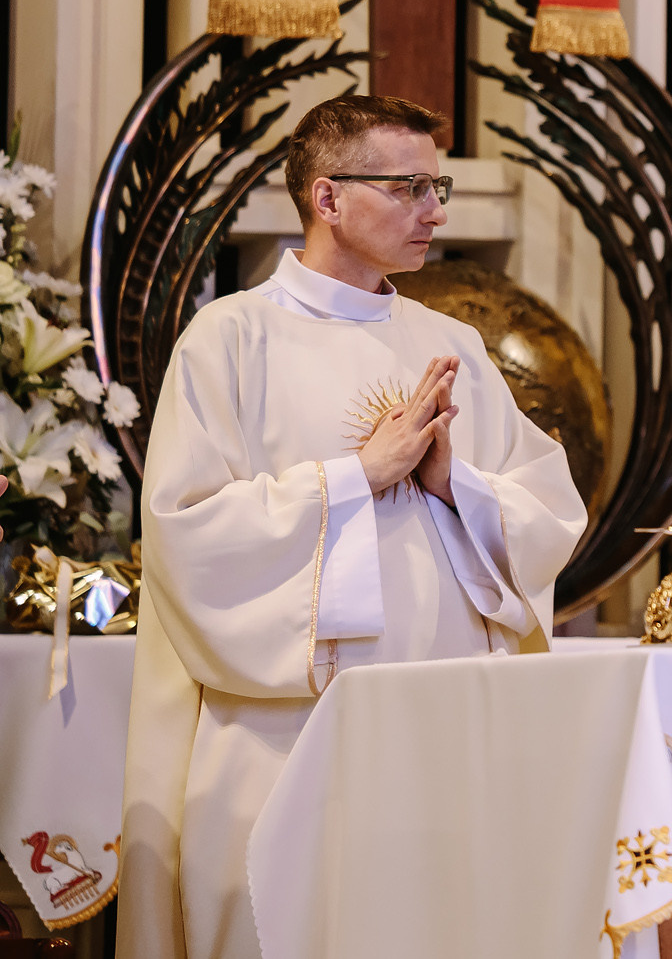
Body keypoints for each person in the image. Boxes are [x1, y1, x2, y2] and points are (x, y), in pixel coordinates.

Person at [120, 96, 587, 959]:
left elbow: (550, 510)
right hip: (282, 754)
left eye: (437, 185)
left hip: (443, 751)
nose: (436, 210)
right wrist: (355, 478)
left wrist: (458, 487)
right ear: (327, 198)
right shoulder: (229, 340)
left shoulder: (455, 345)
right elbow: (186, 540)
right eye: (410, 186)